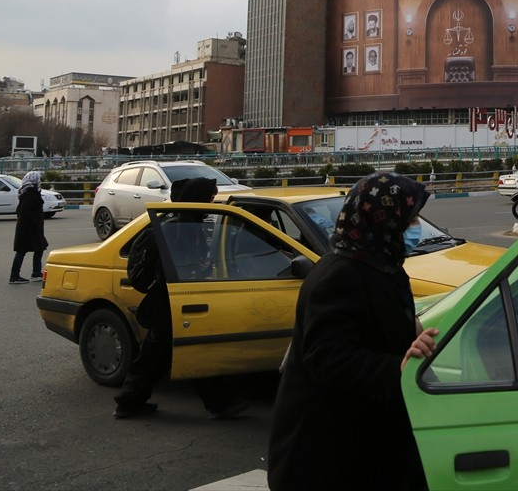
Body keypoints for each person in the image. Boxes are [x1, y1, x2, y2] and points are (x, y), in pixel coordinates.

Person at [268, 172, 438, 491]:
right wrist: (396, 367)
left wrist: (412, 338)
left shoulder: (383, 266)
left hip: (365, 446)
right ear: (383, 221)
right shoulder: (337, 276)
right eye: (409, 221)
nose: (415, 230)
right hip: (325, 458)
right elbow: (329, 359)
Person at [113, 177, 249, 420]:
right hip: (171, 304)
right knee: (195, 354)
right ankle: (219, 402)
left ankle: (129, 402)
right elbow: (183, 268)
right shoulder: (180, 228)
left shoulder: (186, 223)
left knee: (155, 359)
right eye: (209, 197)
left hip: (170, 304)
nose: (212, 201)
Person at [9, 171, 48, 284]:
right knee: (22, 251)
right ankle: (15, 276)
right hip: (28, 229)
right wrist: (35, 221)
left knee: (39, 248)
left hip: (30, 228)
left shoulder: (29, 191)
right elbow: (24, 212)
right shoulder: (29, 193)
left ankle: (36, 273)